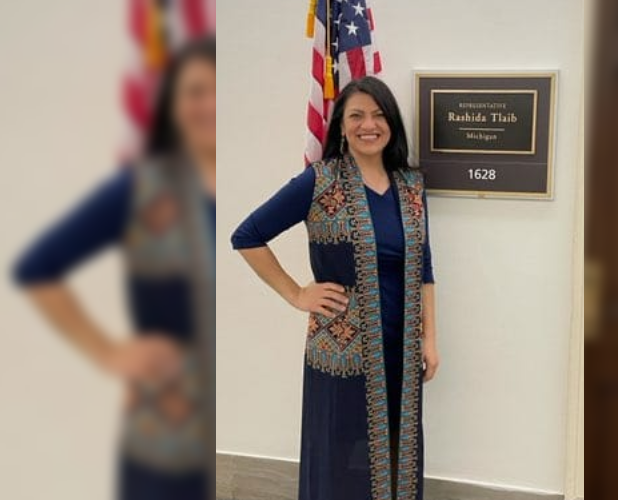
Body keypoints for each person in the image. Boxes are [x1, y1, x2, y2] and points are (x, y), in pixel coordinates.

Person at [13, 36, 216, 500]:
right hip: (167, 431)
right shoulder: (142, 190)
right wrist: (107, 351)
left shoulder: (253, 194)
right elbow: (39, 267)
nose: (209, 105)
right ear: (173, 106)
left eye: (218, 90)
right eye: (195, 92)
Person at [231, 76, 440, 500]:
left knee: (399, 452)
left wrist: (430, 338)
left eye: (379, 115)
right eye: (357, 115)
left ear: (392, 124)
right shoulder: (319, 181)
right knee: (340, 454)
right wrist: (296, 293)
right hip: (342, 352)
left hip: (401, 350)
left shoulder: (411, 186)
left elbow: (425, 268)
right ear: (341, 126)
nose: (369, 125)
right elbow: (247, 235)